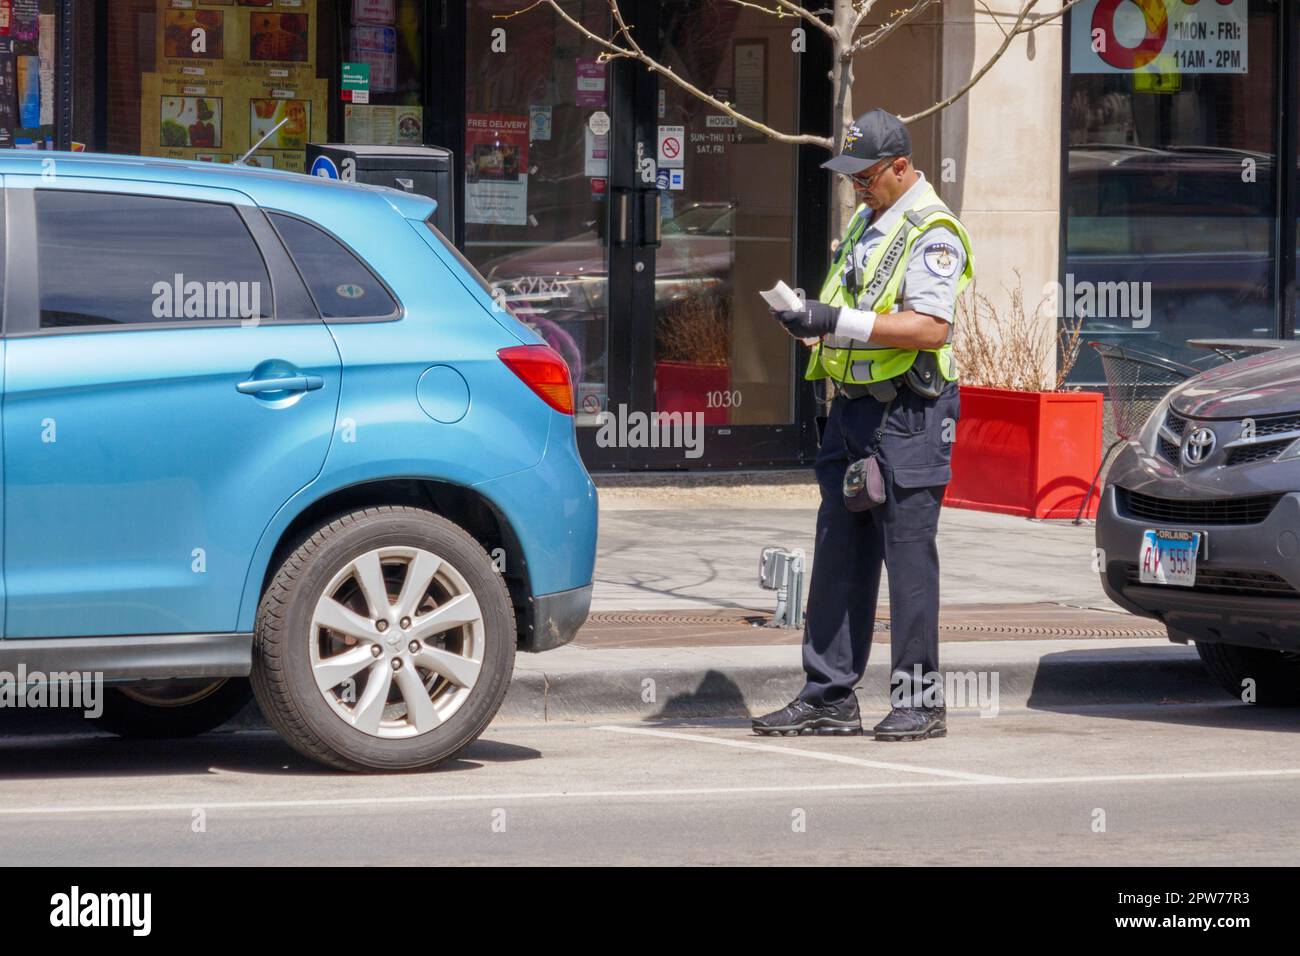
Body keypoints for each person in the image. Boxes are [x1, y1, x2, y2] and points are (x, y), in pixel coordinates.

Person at [752, 108, 974, 742]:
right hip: (851, 409)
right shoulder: (867, 220)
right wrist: (809, 321)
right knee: (839, 558)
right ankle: (828, 695)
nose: (856, 185)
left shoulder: (932, 230)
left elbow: (932, 327)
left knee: (908, 562)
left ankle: (919, 702)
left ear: (901, 165)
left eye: (866, 174)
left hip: (909, 414)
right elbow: (851, 309)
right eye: (850, 175)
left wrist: (835, 322)